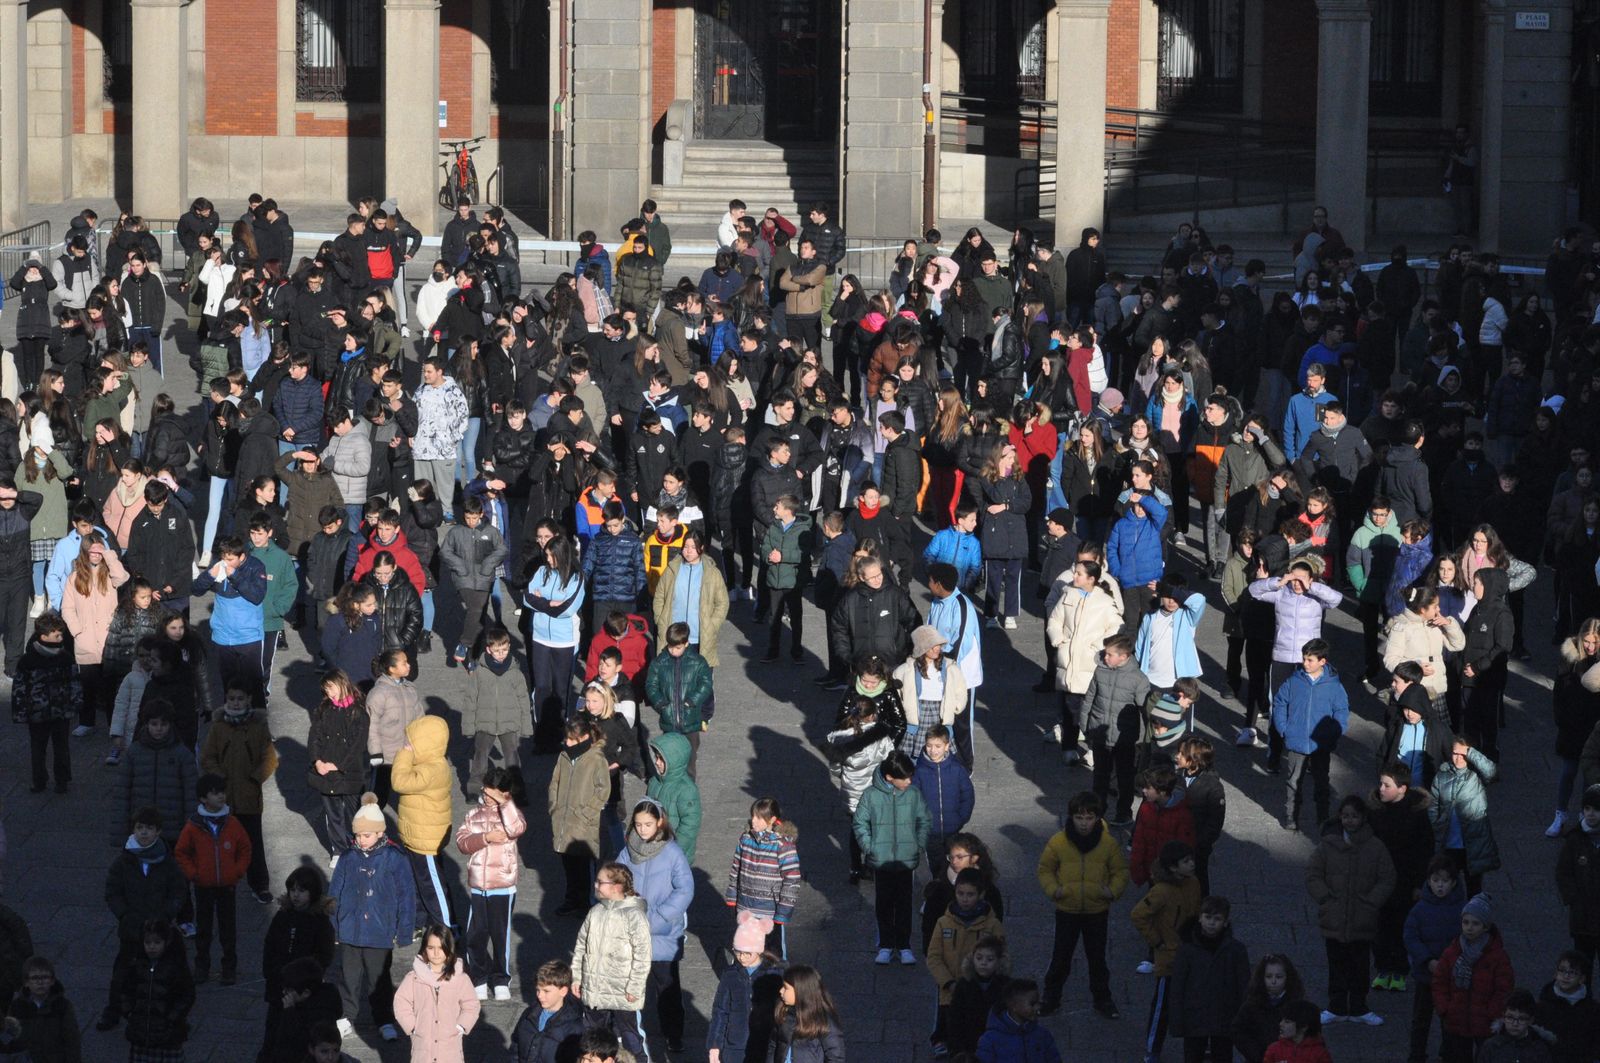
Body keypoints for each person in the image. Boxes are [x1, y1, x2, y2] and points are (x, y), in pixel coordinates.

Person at [329, 793, 414, 1042]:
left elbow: (406, 896)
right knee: (348, 976)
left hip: (380, 929)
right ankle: (346, 1015)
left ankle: (384, 1019)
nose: (361, 840)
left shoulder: (395, 858)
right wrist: (333, 925)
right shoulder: (348, 857)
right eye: (358, 835)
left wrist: (404, 930)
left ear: (379, 833)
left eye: (366, 835)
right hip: (350, 928)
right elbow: (334, 893)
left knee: (379, 978)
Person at [1306, 795, 1396, 1026]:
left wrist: (1372, 902)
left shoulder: (1375, 847)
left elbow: (1387, 878)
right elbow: (1313, 873)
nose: (1349, 820)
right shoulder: (1328, 845)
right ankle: (1336, 1005)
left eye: (1354, 816)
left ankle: (1358, 1006)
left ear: (1363, 818)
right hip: (1334, 915)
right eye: (1346, 816)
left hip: (1362, 917)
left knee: (1360, 964)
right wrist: (1325, 898)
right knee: (1336, 963)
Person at [1036, 791, 1127, 1018]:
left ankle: (1102, 998)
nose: (1084, 823)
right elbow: (1045, 869)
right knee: (1061, 956)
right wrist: (1055, 890)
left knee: (1097, 957)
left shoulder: (1108, 844)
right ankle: (1051, 997)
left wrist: (1111, 891)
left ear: (1097, 818)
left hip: (1097, 910)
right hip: (1067, 909)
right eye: (1079, 817)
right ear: (1071, 817)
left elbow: (1120, 871)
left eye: (1089, 818)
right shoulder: (1058, 842)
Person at [96, 808, 186, 1032]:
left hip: (159, 930)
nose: (144, 833)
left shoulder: (167, 862)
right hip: (132, 929)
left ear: (158, 832)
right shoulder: (123, 862)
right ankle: (113, 1010)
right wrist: (124, 915)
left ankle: (164, 1012)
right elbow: (112, 892)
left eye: (149, 828)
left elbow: (178, 890)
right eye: (140, 828)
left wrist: (166, 915)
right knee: (122, 972)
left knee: (164, 972)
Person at [615, 798, 694, 1053]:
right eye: (638, 825)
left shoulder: (672, 853)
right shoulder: (627, 851)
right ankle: (627, 1032)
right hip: (632, 931)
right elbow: (615, 882)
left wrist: (657, 918)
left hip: (662, 934)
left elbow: (685, 890)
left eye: (647, 824)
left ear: (660, 822)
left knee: (666, 987)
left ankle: (673, 1034)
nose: (642, 830)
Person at [453, 765, 527, 1001]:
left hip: (503, 885)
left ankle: (501, 978)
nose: (487, 797)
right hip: (478, 885)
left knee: (500, 934)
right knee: (476, 934)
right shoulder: (473, 815)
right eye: (486, 792)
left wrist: (504, 804)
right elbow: (462, 842)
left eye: (493, 794)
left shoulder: (511, 814)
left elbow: (518, 828)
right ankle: (479, 977)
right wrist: (485, 838)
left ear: (505, 794)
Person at [174, 772, 253, 986]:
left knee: (228, 929)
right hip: (203, 885)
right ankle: (202, 966)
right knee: (204, 928)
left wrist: (237, 871)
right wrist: (193, 874)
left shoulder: (232, 823)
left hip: (227, 885)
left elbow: (245, 848)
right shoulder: (193, 826)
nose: (221, 796)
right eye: (215, 793)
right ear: (203, 798)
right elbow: (181, 852)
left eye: (222, 792)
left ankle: (229, 968)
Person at [855, 751, 932, 965]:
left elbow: (924, 820)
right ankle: (886, 945)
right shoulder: (871, 795)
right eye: (904, 778)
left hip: (906, 860)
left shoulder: (913, 794)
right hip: (882, 861)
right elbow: (860, 823)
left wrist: (919, 844)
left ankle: (904, 945)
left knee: (905, 904)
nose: (909, 781)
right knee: (884, 904)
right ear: (889, 777)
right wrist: (869, 847)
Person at [571, 861, 653, 1061]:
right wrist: (577, 977)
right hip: (595, 989)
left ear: (616, 887)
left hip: (622, 991)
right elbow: (581, 946)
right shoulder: (595, 912)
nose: (596, 885)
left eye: (600, 882)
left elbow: (643, 955)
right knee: (593, 1038)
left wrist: (635, 986)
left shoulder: (634, 915)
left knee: (630, 1037)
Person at [1130, 841, 1202, 1063]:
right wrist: (1157, 941)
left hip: (1190, 953)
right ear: (1173, 867)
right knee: (1162, 1007)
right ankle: (1152, 1049)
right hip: (1170, 957)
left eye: (1191, 859)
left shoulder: (1193, 883)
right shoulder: (1161, 891)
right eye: (1186, 861)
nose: (1192, 864)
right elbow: (1138, 915)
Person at [1369, 762, 1439, 991]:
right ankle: (1382, 968)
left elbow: (1425, 850)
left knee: (1401, 926)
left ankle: (1399, 970)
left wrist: (1419, 883)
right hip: (1379, 879)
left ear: (1402, 789)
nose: (1381, 789)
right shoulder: (1376, 811)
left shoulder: (1416, 814)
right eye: (1381, 784)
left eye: (1387, 785)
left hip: (1405, 880)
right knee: (1380, 926)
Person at [1271, 638, 1349, 831]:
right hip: (1296, 740)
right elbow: (1280, 702)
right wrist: (1283, 728)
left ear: (1322, 661)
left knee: (1321, 782)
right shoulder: (1294, 681)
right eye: (1304, 658)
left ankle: (1322, 817)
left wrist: (1334, 732)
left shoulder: (1334, 686)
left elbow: (1341, 710)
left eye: (1310, 660)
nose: (1305, 663)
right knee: (1293, 782)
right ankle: (1291, 816)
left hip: (1321, 744)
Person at [260, 867, 337, 1057]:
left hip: (304, 991)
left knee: (299, 1034)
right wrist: (272, 973)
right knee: (273, 1032)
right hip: (278, 986)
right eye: (293, 890)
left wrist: (304, 984)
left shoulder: (320, 921)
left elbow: (323, 956)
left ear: (313, 892)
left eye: (302, 890)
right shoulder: (283, 915)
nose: (295, 895)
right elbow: (270, 946)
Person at [391, 713, 455, 933]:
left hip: (426, 840)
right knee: (417, 882)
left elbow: (399, 781)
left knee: (432, 886)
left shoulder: (432, 769)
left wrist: (404, 754)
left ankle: (447, 929)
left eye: (411, 742)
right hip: (416, 835)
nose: (407, 746)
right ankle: (420, 922)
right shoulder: (428, 765)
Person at [1432, 894, 1515, 1063]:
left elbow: (1504, 988)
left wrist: (1492, 1012)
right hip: (1456, 1019)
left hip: (1485, 1021)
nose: (1469, 928)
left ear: (1486, 927)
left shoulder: (1498, 956)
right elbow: (1440, 982)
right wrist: (1445, 1008)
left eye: (1475, 923)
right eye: (1466, 922)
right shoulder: (1452, 952)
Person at [1168, 894, 1251, 1063]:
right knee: (1193, 1056)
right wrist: (1176, 1020)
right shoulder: (1187, 950)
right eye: (1208, 917)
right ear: (1200, 918)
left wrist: (1244, 1016)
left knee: (1223, 1056)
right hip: (1195, 1017)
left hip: (1224, 1016)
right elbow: (1177, 987)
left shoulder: (1236, 950)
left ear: (1225, 922)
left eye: (1217, 919)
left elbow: (1244, 985)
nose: (1211, 923)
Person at [1081, 634, 1152, 825]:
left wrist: (1146, 739)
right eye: (1105, 653)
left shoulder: (1138, 679)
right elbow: (1089, 698)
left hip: (1124, 738)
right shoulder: (1100, 671)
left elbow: (1145, 711)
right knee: (1100, 776)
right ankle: (1098, 811)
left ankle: (1124, 813)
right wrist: (1085, 725)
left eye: (1109, 654)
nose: (1105, 657)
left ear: (1124, 656)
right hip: (1100, 733)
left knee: (1125, 777)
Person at [304, 671, 371, 867]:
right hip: (326, 771)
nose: (329, 693)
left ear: (342, 684)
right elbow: (314, 737)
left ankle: (360, 847)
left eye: (331, 688)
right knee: (332, 814)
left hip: (350, 772)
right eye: (326, 690)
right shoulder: (324, 710)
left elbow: (358, 745)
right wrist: (317, 761)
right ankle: (339, 850)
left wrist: (339, 765)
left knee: (355, 813)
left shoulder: (358, 712)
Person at [1405, 857, 1467, 1063]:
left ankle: (1447, 1054)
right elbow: (1410, 937)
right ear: (1429, 881)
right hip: (1426, 975)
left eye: (1445, 881)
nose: (1440, 885)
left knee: (1449, 1020)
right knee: (1420, 1020)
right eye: (1436, 880)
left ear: (1453, 883)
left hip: (1450, 975)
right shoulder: (1420, 909)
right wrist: (1427, 960)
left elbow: (1467, 939)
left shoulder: (1462, 909)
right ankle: (1416, 1056)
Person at [723, 797, 802, 958]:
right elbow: (736, 870)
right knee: (746, 949)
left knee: (773, 954)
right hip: (746, 908)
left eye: (759, 817)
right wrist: (732, 898)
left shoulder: (783, 846)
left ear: (772, 820)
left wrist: (782, 913)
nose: (753, 821)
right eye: (753, 816)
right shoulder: (746, 839)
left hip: (770, 912)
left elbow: (791, 882)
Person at [392, 924, 481, 1063]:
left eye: (441, 948)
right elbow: (401, 1002)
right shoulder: (413, 978)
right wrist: (412, 1026)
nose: (436, 953)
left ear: (449, 948)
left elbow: (471, 1004)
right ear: (424, 949)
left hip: (450, 1048)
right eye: (431, 948)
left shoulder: (460, 978)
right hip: (423, 1048)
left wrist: (461, 1026)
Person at [13, 611, 80, 794]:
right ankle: (39, 780)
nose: (61, 638)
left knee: (61, 747)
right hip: (37, 712)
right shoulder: (28, 660)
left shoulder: (65, 657)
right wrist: (21, 712)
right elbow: (19, 688)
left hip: (60, 710)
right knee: (38, 747)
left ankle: (62, 780)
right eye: (57, 635)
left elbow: (74, 682)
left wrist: (75, 703)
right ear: (44, 636)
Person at [551, 717, 611, 916]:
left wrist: (587, 813)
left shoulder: (596, 759)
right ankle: (571, 899)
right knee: (568, 862)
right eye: (566, 739)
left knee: (583, 865)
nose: (567, 743)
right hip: (563, 819)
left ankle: (584, 902)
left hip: (583, 823)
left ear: (584, 738)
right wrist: (554, 806)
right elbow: (555, 782)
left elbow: (603, 790)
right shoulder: (564, 757)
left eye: (572, 740)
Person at [704, 919, 784, 1063]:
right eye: (738, 952)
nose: (742, 957)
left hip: (764, 1043)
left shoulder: (773, 975)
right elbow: (720, 1011)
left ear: (759, 950)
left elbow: (782, 1012)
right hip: (735, 1045)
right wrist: (714, 1045)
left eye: (747, 953)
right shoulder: (730, 974)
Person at [1430, 737, 1501, 897]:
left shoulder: (1476, 775)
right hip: (1449, 843)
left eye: (1462, 754)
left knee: (1474, 888)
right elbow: (1433, 805)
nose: (1458, 758)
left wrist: (1470, 752)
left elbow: (1492, 772)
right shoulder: (1442, 774)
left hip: (1473, 843)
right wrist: (1437, 825)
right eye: (1455, 753)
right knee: (1447, 887)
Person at [115, 921, 194, 1063]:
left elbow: (186, 995)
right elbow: (125, 990)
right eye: (148, 942)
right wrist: (128, 1011)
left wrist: (172, 1018)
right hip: (141, 1029)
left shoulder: (175, 967)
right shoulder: (136, 965)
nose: (152, 947)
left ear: (166, 943)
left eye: (157, 942)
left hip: (167, 1031)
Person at [462, 626, 528, 795]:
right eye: (497, 650)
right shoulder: (479, 672)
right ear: (488, 650)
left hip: (509, 722)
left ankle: (516, 789)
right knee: (480, 757)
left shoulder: (515, 672)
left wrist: (526, 726)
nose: (501, 654)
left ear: (509, 647)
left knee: (512, 758)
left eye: (504, 649)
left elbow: (523, 699)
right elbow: (470, 699)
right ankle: (475, 789)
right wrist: (468, 726)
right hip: (484, 722)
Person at [644, 623, 714, 776]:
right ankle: (670, 786)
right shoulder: (659, 662)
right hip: (669, 720)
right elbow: (651, 685)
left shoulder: (698, 662)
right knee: (669, 759)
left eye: (678, 648)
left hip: (691, 722)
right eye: (671, 647)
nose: (673, 651)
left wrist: (692, 701)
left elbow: (706, 684)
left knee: (689, 761)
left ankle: (688, 787)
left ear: (686, 643)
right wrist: (661, 703)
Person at [1555, 785, 1600, 979]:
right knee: (1583, 969)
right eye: (1587, 808)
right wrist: (1573, 899)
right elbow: (1563, 872)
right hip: (1583, 918)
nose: (1591, 814)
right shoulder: (1575, 839)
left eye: (1596, 809)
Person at [1230, 955, 1308, 1063]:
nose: (1273, 981)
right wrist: (1256, 1055)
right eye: (1269, 976)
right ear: (1262, 977)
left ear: (1288, 977)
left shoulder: (1297, 1004)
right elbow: (1237, 1030)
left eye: (1279, 977)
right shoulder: (1253, 1003)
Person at [510, 959, 587, 1063]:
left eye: (546, 991)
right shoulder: (529, 1014)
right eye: (538, 990)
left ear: (563, 991)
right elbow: (516, 1044)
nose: (540, 995)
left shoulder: (574, 1027)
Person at [768, 964, 847, 1063]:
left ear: (800, 991)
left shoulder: (824, 1020)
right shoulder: (783, 1013)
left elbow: (836, 1057)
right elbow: (773, 1045)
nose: (781, 991)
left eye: (785, 988)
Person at [646, 732, 703, 863]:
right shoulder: (654, 782)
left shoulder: (686, 789)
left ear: (674, 761)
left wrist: (674, 850)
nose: (657, 762)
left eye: (662, 759)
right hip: (653, 848)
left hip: (675, 856)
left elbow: (690, 825)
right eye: (656, 757)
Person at [1535, 951, 1599, 1063]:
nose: (1566, 976)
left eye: (1572, 972)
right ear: (1556, 973)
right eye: (1562, 970)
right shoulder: (1542, 1006)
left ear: (1582, 979)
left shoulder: (1593, 1010)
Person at [1263, 1000, 1333, 1063]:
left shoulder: (1319, 1053)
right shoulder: (1274, 1049)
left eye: (1287, 1022)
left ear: (1304, 1027)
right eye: (1282, 1020)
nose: (1281, 1024)